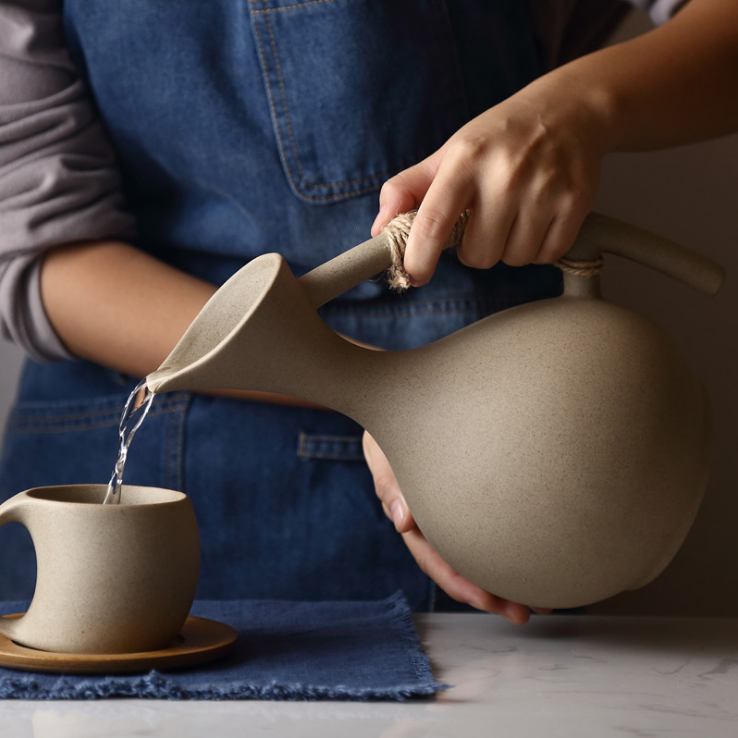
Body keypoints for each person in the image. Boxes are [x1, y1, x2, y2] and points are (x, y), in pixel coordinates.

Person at [0, 0, 736, 624]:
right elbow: (38, 246)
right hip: (128, 442)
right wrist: (393, 396)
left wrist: (578, 108)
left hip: (522, 468)